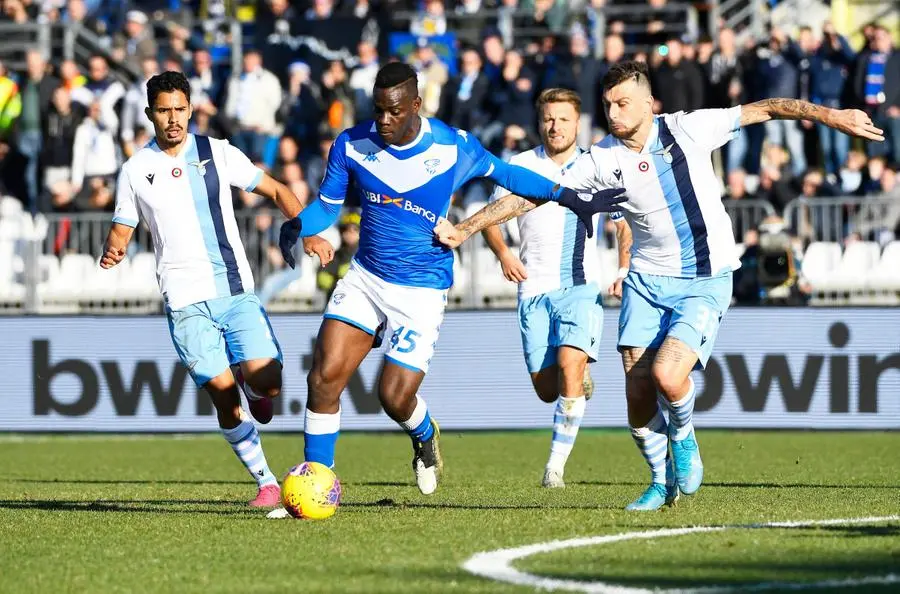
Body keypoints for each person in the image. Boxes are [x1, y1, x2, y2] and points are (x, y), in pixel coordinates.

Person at [435, 60, 883, 510]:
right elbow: (530, 195)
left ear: (649, 103)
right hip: (647, 281)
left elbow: (767, 108)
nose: (613, 113)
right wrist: (466, 228)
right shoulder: (603, 158)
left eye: (623, 103)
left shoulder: (690, 129)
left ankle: (684, 437)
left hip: (704, 278)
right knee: (637, 393)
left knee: (670, 377)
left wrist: (834, 117)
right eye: (608, 105)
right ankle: (659, 480)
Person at [277, 62, 626, 495]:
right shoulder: (351, 144)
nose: (384, 120)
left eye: (395, 111)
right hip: (366, 277)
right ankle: (318, 486)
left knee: (393, 397)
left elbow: (509, 175)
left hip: (422, 288)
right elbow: (328, 206)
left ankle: (424, 436)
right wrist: (300, 223)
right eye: (378, 110)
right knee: (323, 378)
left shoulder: (451, 146)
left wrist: (568, 196)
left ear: (416, 105)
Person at [99, 71, 330, 508]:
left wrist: (312, 233)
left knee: (271, 386)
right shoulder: (135, 169)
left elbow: (278, 189)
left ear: (190, 108)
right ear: (150, 114)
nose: (173, 119)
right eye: (164, 111)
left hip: (234, 288)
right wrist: (113, 249)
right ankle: (265, 483)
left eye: (180, 109)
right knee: (223, 394)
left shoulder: (217, 152)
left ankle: (250, 378)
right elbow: (121, 227)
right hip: (184, 300)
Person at [460, 88, 633, 488]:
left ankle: (554, 468)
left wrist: (623, 268)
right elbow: (489, 218)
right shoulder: (519, 166)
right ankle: (574, 382)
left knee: (571, 368)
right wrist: (504, 254)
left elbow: (621, 224)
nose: (555, 126)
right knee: (545, 389)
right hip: (532, 288)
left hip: (580, 286)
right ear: (540, 122)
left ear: (578, 123)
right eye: (549, 119)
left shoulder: (596, 166)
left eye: (564, 119)